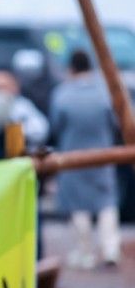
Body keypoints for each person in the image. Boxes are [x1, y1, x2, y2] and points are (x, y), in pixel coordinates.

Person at [50, 50, 121, 268]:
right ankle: (111, 249)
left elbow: (55, 126)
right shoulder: (105, 92)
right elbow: (117, 123)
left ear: (71, 69)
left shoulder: (62, 94)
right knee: (106, 202)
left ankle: (85, 253)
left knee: (78, 205)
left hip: (72, 157)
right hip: (103, 155)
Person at [0, 67, 49, 159]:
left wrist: (14, 127)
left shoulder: (22, 107)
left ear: (15, 86)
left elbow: (39, 131)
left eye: (2, 87)